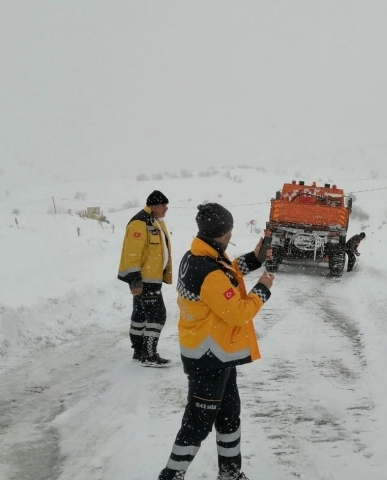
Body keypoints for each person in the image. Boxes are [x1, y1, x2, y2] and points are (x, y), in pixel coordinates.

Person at [157, 203, 274, 480]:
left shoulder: (198, 255)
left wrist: (255, 258)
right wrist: (263, 290)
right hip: (207, 359)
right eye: (229, 231)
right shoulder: (207, 271)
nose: (231, 235)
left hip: (219, 356)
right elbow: (238, 312)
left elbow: (227, 273)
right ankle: (171, 476)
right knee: (197, 424)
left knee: (229, 416)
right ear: (220, 234)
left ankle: (231, 473)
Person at [117, 190, 172, 366]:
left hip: (151, 279)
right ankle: (148, 354)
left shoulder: (155, 221)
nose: (166, 208)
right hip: (145, 280)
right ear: (154, 206)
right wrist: (135, 280)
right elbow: (132, 254)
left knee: (140, 316)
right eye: (164, 205)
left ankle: (139, 351)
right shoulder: (139, 223)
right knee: (157, 316)